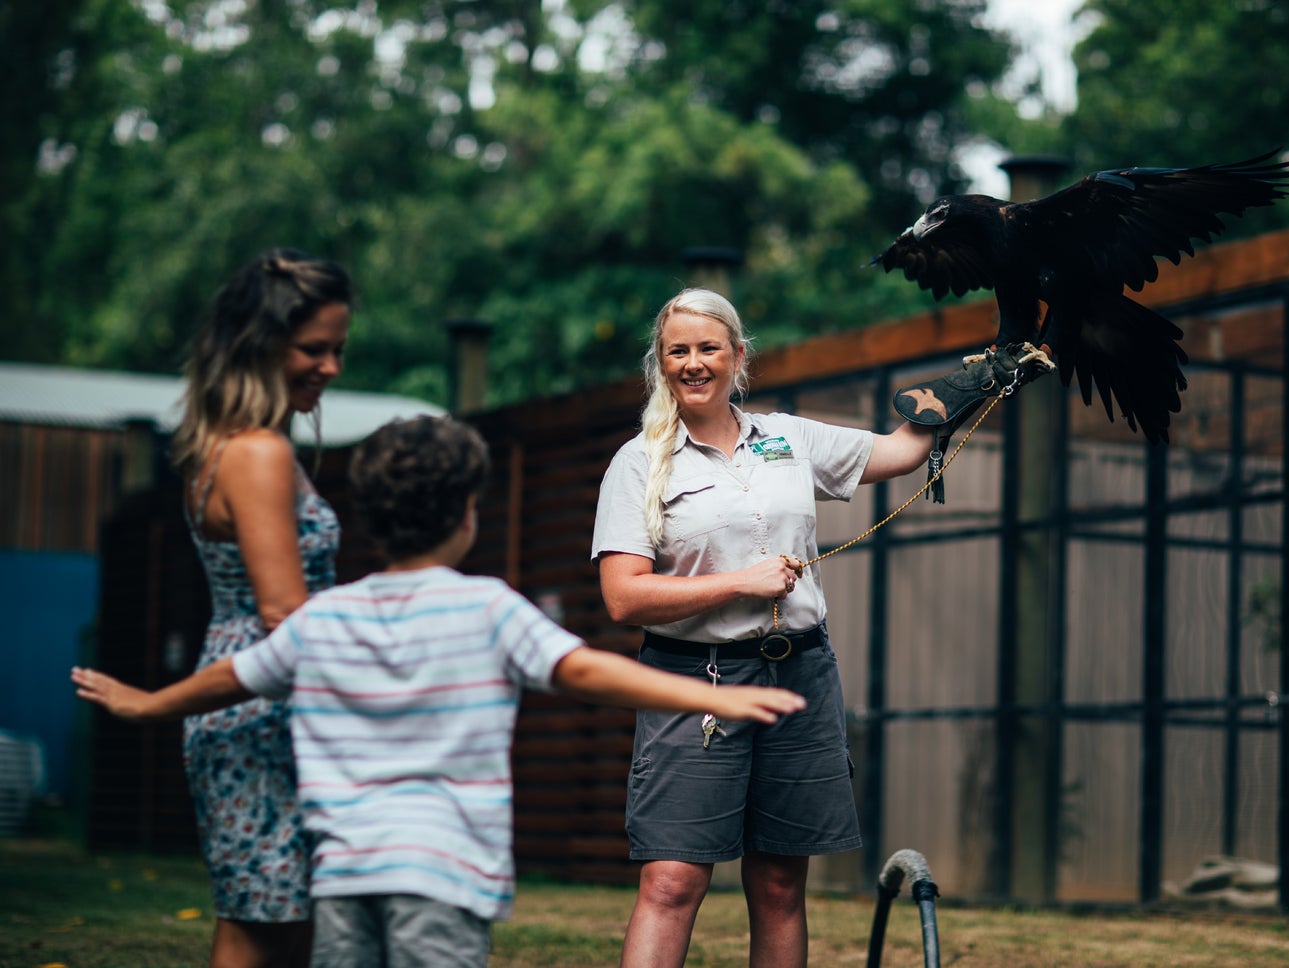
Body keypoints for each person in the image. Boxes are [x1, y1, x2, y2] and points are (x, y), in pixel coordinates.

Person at [75, 415, 807, 968]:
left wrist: (146, 703)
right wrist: (712, 697)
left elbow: (232, 678)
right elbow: (584, 670)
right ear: (466, 516)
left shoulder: (326, 616)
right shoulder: (487, 606)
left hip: (339, 878)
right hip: (442, 875)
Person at [592, 287, 987, 968]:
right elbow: (623, 598)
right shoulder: (639, 462)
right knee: (672, 879)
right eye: (677, 351)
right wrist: (742, 582)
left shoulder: (789, 436)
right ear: (660, 363)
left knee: (779, 881)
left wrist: (977, 382)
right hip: (695, 681)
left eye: (708, 348)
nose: (693, 363)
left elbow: (896, 453)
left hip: (799, 676)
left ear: (738, 356)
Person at [168, 248, 353, 967]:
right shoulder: (257, 454)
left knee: (279, 917)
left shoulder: (227, 446)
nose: (330, 368)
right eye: (314, 349)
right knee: (263, 922)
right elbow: (285, 614)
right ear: (261, 343)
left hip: (256, 692)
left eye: (338, 350)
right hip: (266, 701)